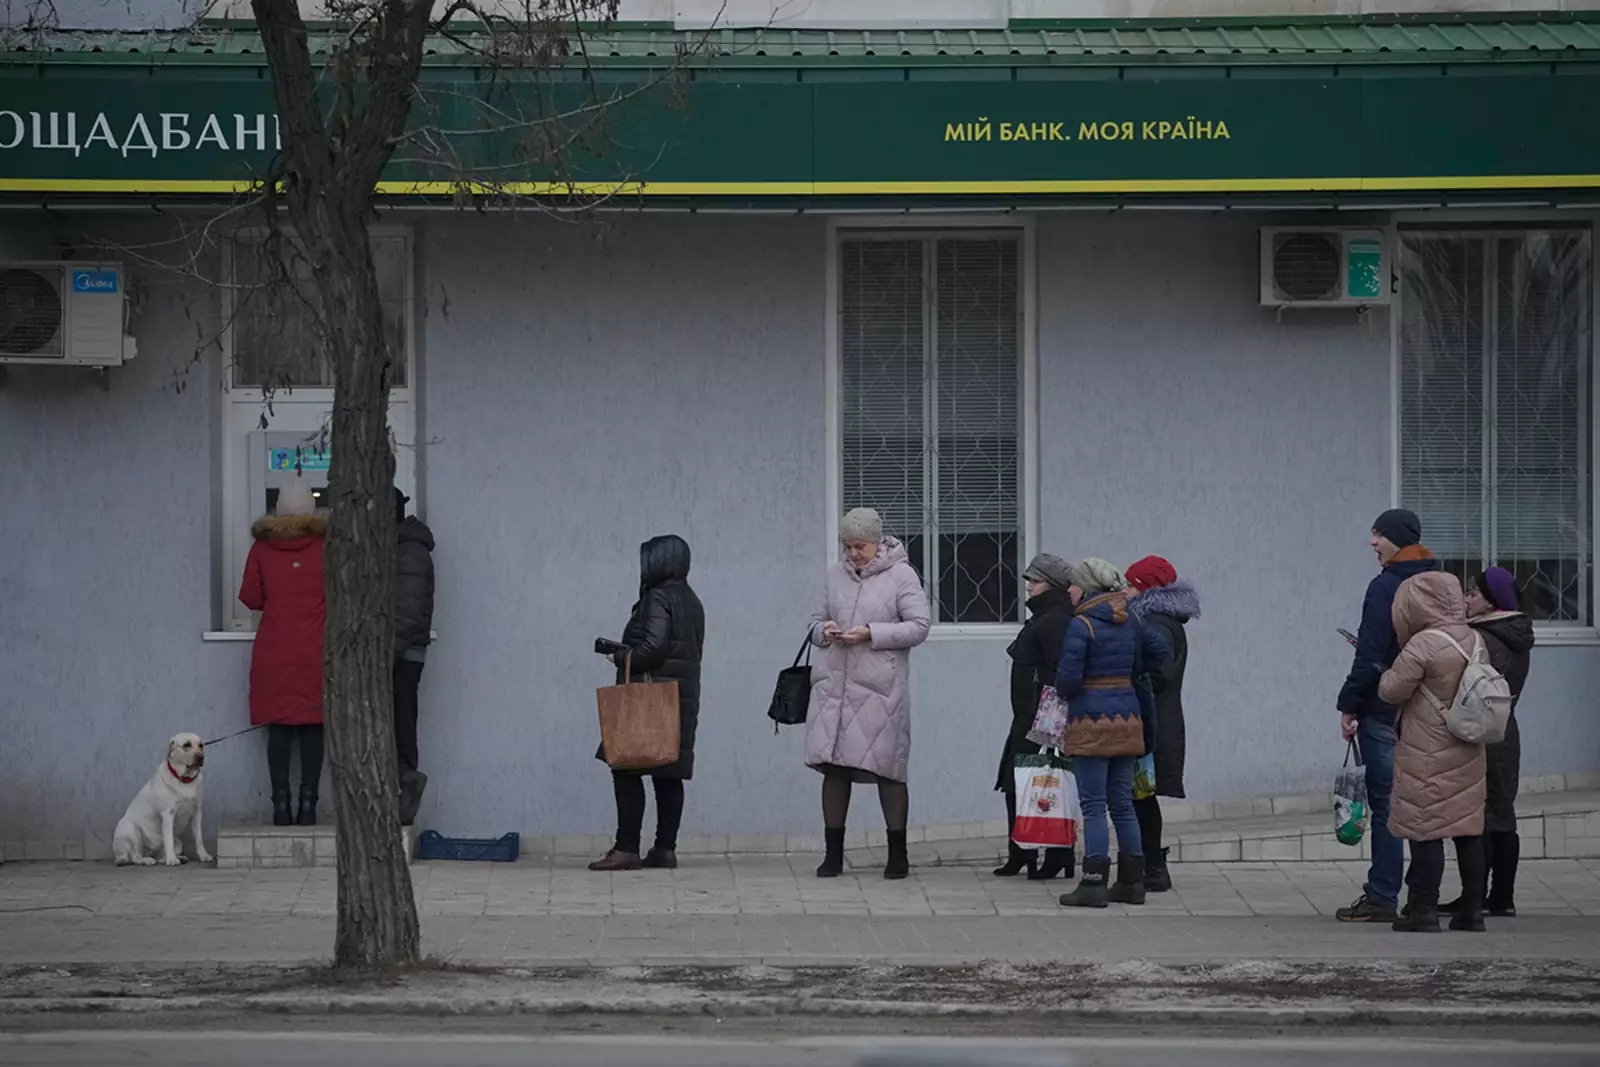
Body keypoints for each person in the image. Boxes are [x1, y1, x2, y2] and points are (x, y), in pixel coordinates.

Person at [806, 507, 932, 881]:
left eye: (859, 546)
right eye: (848, 546)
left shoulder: (901, 575)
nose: (853, 554)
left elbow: (919, 626)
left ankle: (897, 855)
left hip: (880, 689)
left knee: (889, 769)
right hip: (836, 687)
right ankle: (832, 855)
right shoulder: (835, 576)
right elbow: (812, 622)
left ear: (877, 543)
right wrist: (823, 631)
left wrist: (871, 633)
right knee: (834, 767)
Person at [1333, 508, 1441, 923]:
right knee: (1424, 803)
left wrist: (1348, 702)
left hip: (1384, 708)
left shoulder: (1385, 587)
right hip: (1430, 707)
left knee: (1387, 804)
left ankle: (1382, 896)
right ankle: (1425, 899)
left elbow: (1370, 655)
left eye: (1378, 535)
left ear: (1397, 538)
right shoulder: (1438, 583)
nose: (1372, 542)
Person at [1055, 559, 1170, 909]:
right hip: (1129, 717)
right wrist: (1129, 673)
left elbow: (1067, 680)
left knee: (1093, 804)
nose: (1070, 591)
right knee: (1122, 803)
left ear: (1087, 588)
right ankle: (1132, 883)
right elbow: (1161, 651)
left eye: (1073, 585)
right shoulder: (1131, 619)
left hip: (1091, 721)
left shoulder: (1082, 624)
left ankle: (1093, 883)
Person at [1377, 570, 1488, 933]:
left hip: (1427, 748)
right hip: (1468, 744)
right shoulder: (1474, 639)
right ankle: (1472, 910)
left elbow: (1391, 691)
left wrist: (1384, 673)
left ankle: (1424, 909)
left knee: (1426, 828)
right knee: (1468, 828)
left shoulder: (1423, 644)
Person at [589, 534, 705, 872]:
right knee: (669, 773)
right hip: (680, 697)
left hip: (649, 700)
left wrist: (620, 656)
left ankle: (626, 848)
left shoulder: (658, 597)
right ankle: (664, 849)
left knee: (624, 766)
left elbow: (653, 649)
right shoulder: (691, 599)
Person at [1444, 567, 1534, 917]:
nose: (1467, 599)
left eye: (1473, 593)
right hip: (1506, 730)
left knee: (1478, 816)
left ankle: (1475, 897)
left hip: (1480, 732)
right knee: (1502, 813)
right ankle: (1502, 897)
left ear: (1491, 600)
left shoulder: (1482, 638)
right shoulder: (1518, 633)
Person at [238, 475, 327, 827]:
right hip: (315, 652)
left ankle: (279, 805)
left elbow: (250, 596)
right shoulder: (326, 547)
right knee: (313, 727)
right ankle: (308, 805)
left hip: (274, 652)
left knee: (278, 729)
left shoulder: (262, 548)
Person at [995, 553, 1076, 881]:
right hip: (1028, 714)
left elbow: (1058, 672)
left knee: (1044, 782)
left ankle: (1056, 855)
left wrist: (1050, 723)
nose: (1028, 586)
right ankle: (1023, 852)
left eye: (1035, 580)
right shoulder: (1046, 616)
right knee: (1020, 782)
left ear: (1051, 585)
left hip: (1042, 718)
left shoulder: (1055, 620)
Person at [1125, 555, 1201, 893]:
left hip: (1150, 723)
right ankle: (1150, 864)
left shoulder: (1154, 624)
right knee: (1140, 795)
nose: (1124, 591)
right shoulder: (1163, 621)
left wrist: (1130, 685)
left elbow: (1160, 673)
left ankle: (1152, 866)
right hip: (1157, 720)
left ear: (1145, 588)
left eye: (1130, 585)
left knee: (1140, 796)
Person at [392, 487, 435, 828]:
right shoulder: (404, 549)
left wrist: (383, 655)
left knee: (400, 726)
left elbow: (406, 613)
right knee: (396, 724)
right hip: (401, 651)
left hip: (402, 655)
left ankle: (405, 789)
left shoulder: (409, 552)